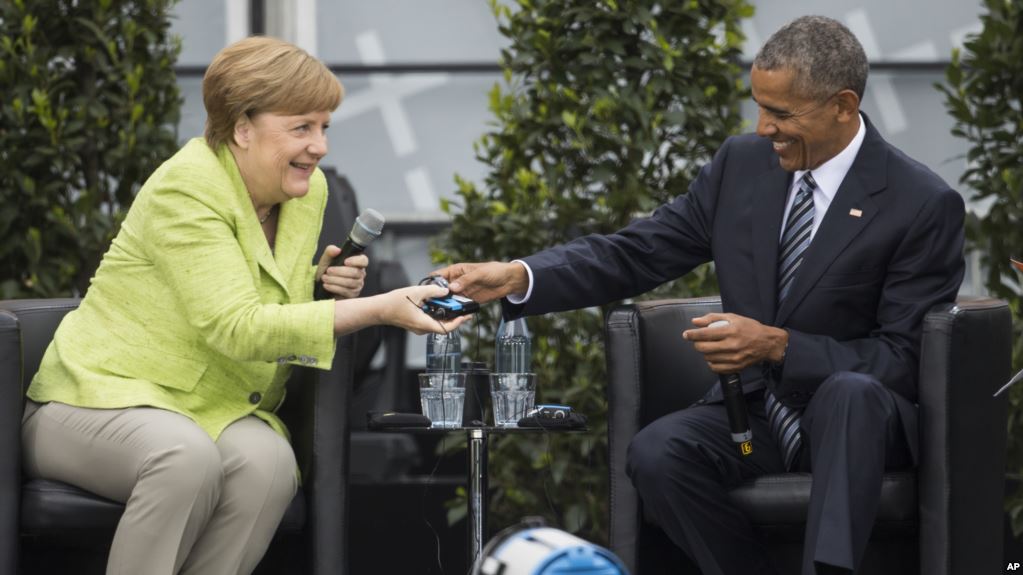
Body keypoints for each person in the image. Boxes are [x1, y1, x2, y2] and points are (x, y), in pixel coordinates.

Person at [436, 16, 964, 575]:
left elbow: (903, 362)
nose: (764, 128)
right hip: (751, 418)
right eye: (759, 107)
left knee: (850, 393)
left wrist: (779, 345)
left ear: (843, 104)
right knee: (657, 453)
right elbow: (636, 252)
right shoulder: (742, 165)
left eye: (782, 114)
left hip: (856, 422)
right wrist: (519, 276)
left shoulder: (921, 203)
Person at [20, 36, 469, 575]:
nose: (320, 145)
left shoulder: (307, 191)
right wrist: (376, 308)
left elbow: (252, 291)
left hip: (213, 407)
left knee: (269, 465)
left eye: (325, 127)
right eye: (301, 127)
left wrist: (319, 288)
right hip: (93, 400)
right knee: (182, 459)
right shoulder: (186, 189)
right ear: (241, 128)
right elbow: (236, 326)